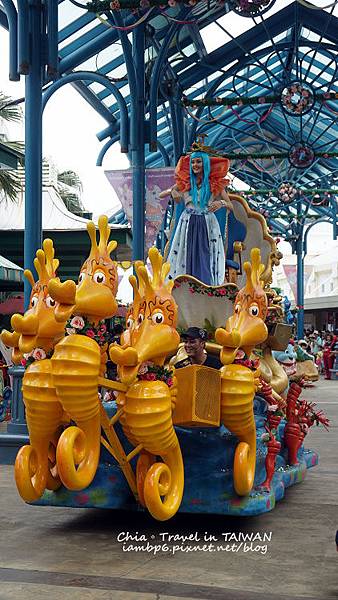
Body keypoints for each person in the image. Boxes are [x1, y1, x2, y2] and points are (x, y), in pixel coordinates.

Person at [161, 147, 232, 286]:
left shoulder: (214, 183)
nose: (195, 165)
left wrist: (221, 203)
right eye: (193, 162)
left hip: (207, 223)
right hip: (188, 222)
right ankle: (184, 285)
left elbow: (231, 205)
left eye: (198, 162)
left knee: (206, 254)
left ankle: (205, 285)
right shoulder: (186, 182)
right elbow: (161, 194)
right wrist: (172, 192)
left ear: (205, 164)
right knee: (186, 252)